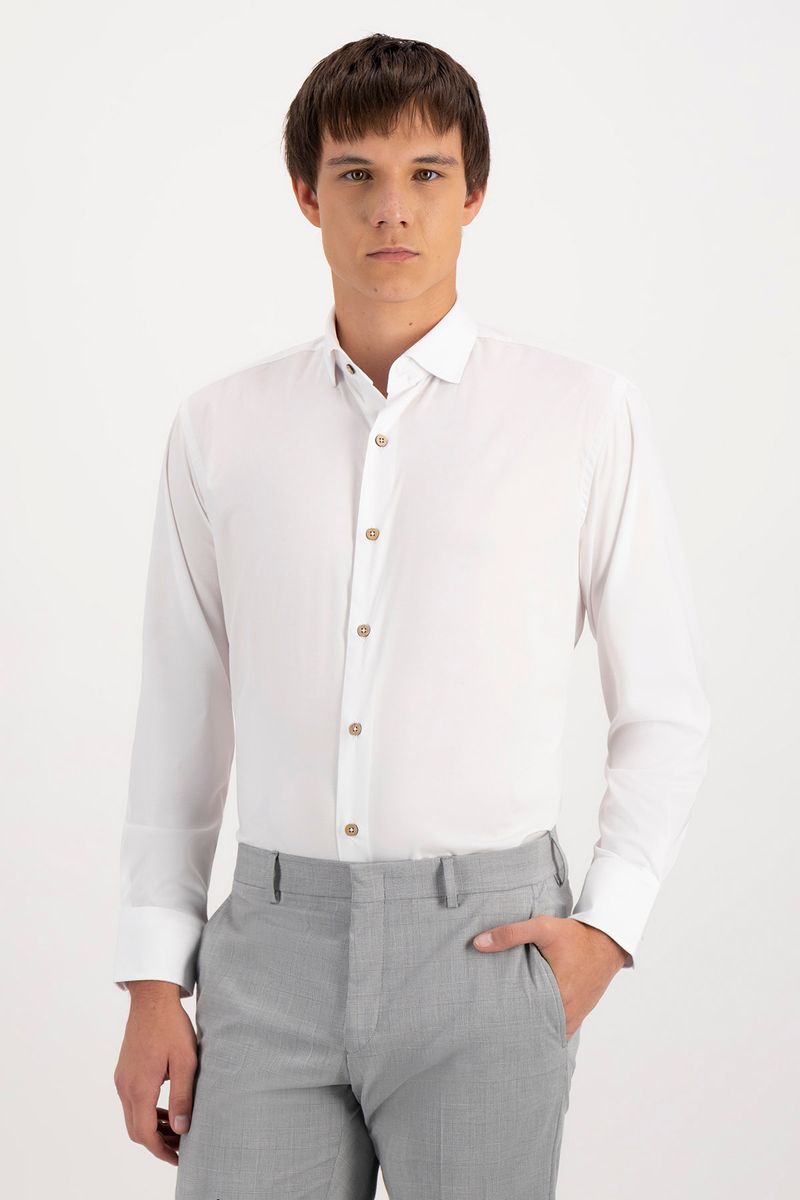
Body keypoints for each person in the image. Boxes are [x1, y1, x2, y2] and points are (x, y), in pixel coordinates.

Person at [112, 32, 711, 1200]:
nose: (392, 207)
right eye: (357, 173)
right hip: (268, 955)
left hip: (486, 954)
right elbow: (181, 713)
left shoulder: (581, 415)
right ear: (307, 194)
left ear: (472, 192)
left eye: (425, 173)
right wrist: (150, 979)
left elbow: (665, 708)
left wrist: (606, 931)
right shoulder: (220, 429)